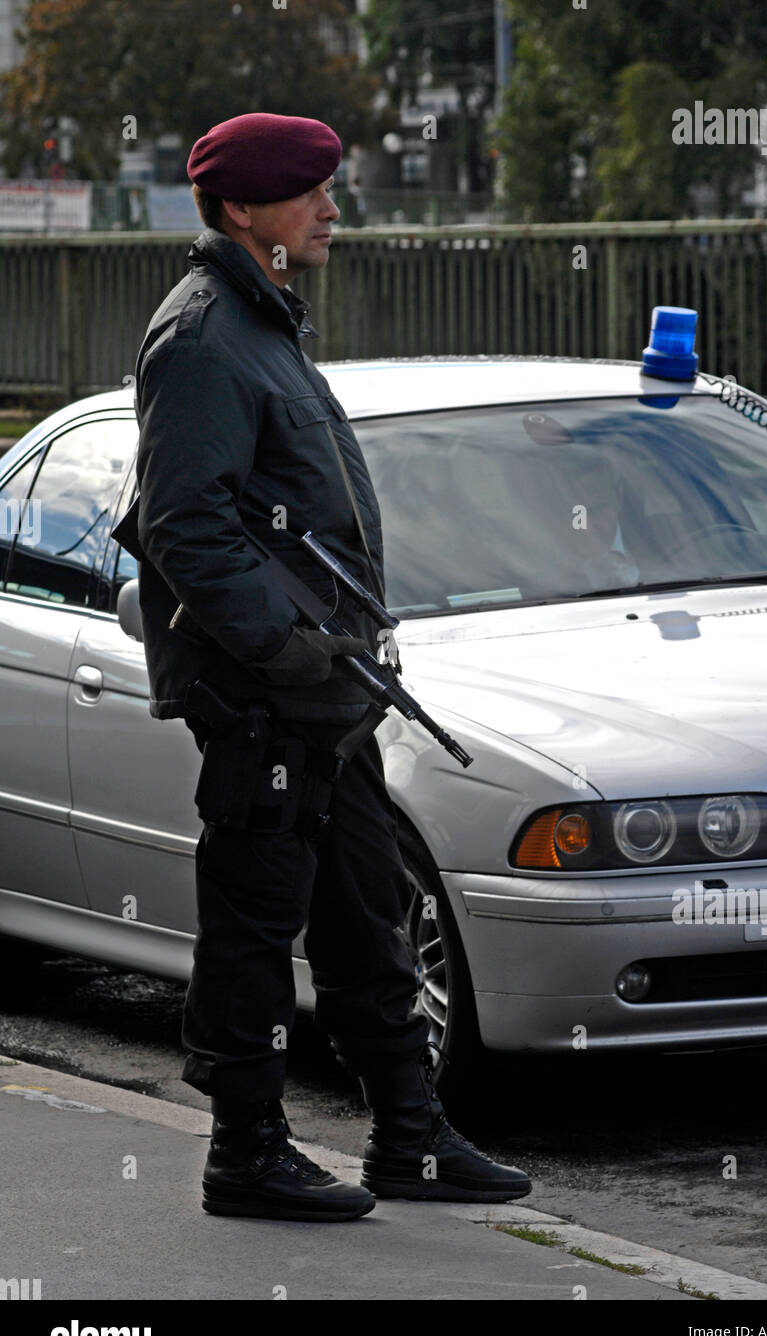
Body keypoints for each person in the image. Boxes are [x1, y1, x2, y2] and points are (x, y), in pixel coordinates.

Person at [125, 112, 531, 1222]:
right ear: (243, 210)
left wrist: (329, 650)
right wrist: (281, 641)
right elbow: (183, 525)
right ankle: (244, 1151)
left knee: (363, 911)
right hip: (267, 695)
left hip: (325, 691)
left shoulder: (263, 324)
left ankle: (410, 1137)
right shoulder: (206, 334)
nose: (330, 208)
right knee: (255, 926)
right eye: (308, 192)